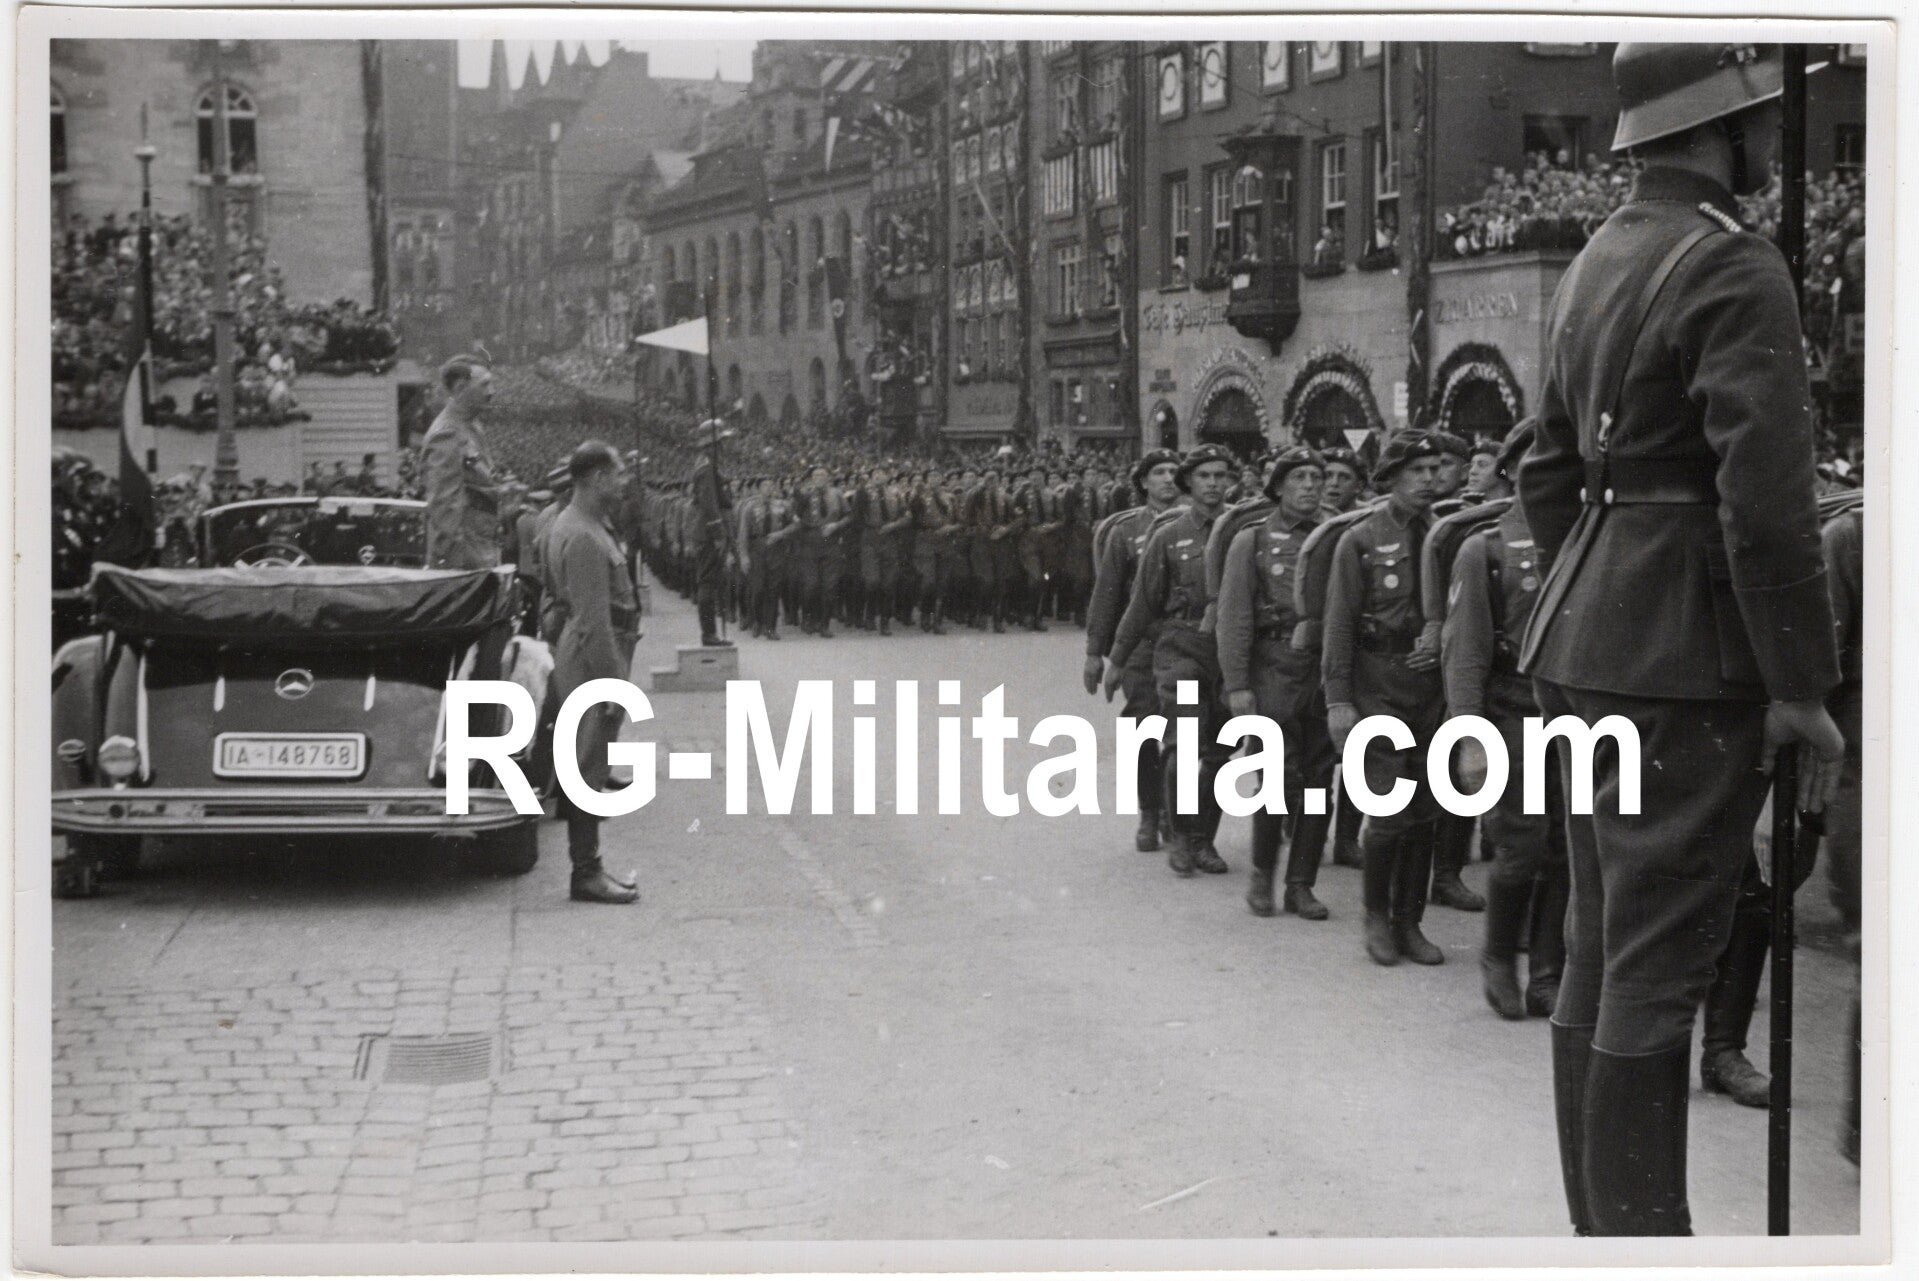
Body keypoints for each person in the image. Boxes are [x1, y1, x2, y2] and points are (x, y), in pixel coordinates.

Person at [1517, 43, 1845, 1236]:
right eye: (1755, 120)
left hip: (1582, 637)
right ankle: (1643, 1245)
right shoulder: (1730, 261)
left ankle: (1604, 1234)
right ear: (1722, 128)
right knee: (1654, 971)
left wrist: (1601, 589)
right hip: (1683, 658)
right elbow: (1767, 504)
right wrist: (1798, 685)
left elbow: (1544, 472)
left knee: (1600, 947)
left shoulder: (1595, 257)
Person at [1440, 421, 1568, 1019]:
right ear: (1511, 470)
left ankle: (1547, 972)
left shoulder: (1583, 538)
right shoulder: (1485, 549)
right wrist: (1469, 738)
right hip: (1512, 713)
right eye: (1535, 459)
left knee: (1567, 847)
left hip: (1574, 715)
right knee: (1521, 846)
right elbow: (1464, 652)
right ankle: (1498, 957)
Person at [1323, 433, 1447, 968]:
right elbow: (1339, 624)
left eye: (1435, 468)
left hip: (1430, 689)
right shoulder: (1360, 539)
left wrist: (1441, 634)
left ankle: (1408, 922)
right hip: (1377, 683)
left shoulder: (1445, 534)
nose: (1429, 478)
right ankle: (1376, 917)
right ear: (1391, 476)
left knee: (1426, 812)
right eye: (1418, 469)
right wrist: (1338, 700)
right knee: (1389, 811)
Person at [1217, 447, 1335, 920]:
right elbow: (1233, 616)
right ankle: (1262, 874)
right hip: (1271, 669)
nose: (1309, 486)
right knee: (1275, 778)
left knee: (1319, 779)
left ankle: (1300, 884)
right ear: (1279, 487)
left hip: (1321, 671)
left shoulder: (1335, 535)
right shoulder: (1253, 540)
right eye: (1299, 478)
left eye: (1315, 478)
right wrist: (1237, 684)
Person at [1109, 444, 1237, 876]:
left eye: (1221, 475)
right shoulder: (1168, 536)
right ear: (1189, 483)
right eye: (1204, 476)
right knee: (1183, 745)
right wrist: (1116, 657)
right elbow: (1142, 602)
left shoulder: (1243, 530)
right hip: (1181, 647)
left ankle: (1204, 839)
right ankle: (1180, 835)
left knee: (1220, 751)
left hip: (1230, 651)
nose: (1213, 484)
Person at [545, 441, 643, 906]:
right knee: (587, 766)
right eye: (617, 474)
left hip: (589, 650)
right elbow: (593, 621)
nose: (623, 482)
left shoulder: (579, 522)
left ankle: (588, 867)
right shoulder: (583, 534)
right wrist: (611, 684)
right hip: (593, 657)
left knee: (587, 763)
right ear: (598, 478)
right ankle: (586, 872)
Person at [1083, 449, 1182, 852]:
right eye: (1159, 472)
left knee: (1187, 733)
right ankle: (1150, 812)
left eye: (1175, 471)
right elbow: (1107, 594)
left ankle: (1177, 815)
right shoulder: (1126, 531)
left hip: (1185, 642)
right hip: (1141, 643)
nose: (1168, 478)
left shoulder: (1199, 525)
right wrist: (1095, 652)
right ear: (1143, 482)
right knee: (1144, 726)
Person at [421, 355, 502, 570]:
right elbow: (444, 511)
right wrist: (456, 573)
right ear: (459, 389)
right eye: (484, 384)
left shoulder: (471, 426)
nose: (491, 391)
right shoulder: (446, 434)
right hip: (464, 561)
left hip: (481, 549)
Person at [688, 419, 736, 648]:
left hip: (708, 531)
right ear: (713, 443)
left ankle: (710, 633)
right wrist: (718, 534)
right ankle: (709, 634)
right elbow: (709, 503)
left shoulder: (707, 465)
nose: (725, 445)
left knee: (711, 582)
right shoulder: (707, 467)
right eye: (721, 441)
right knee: (708, 583)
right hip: (709, 533)